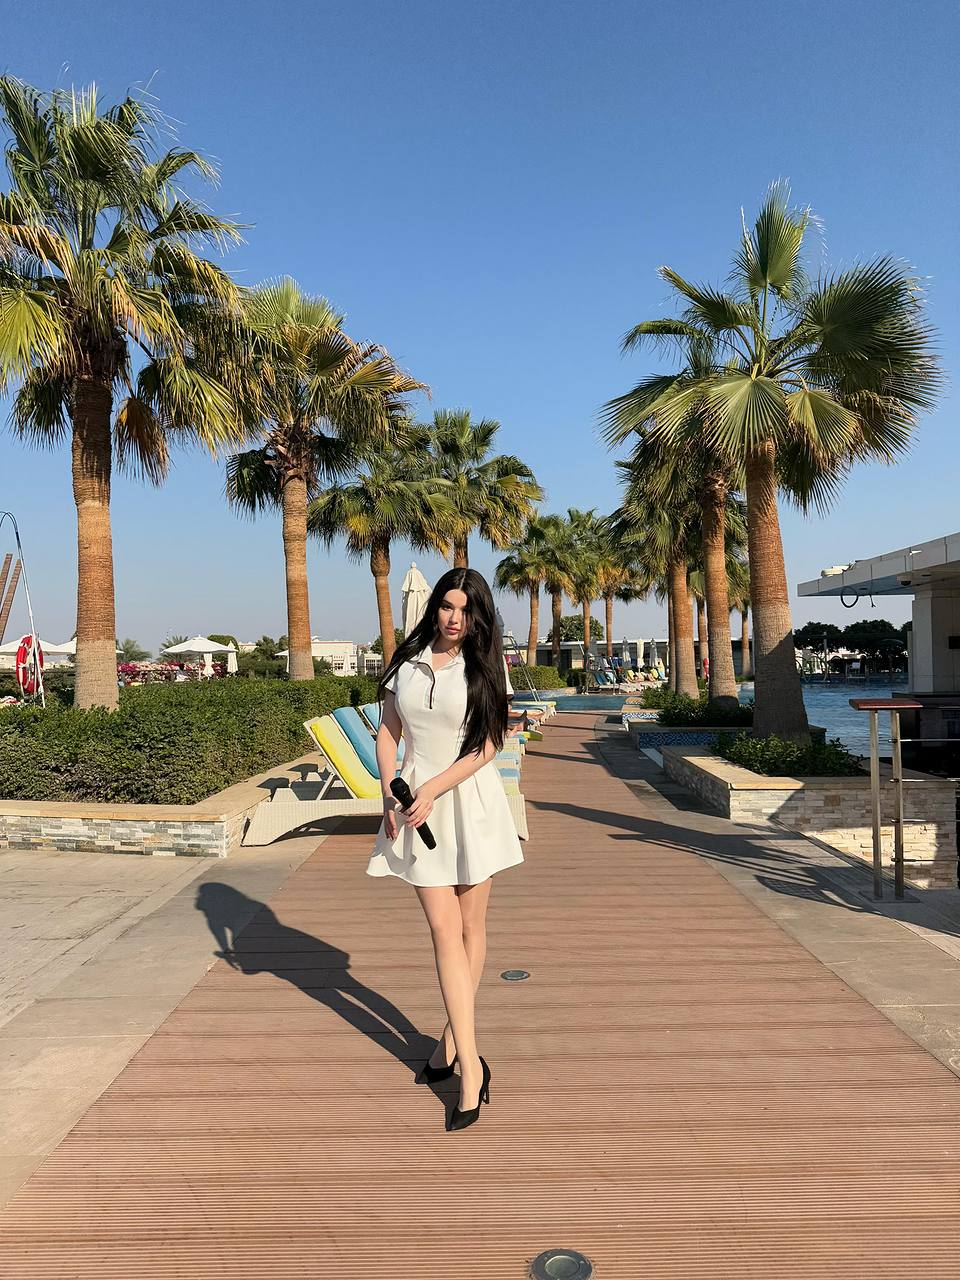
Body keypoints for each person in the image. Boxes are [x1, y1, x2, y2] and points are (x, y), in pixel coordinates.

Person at [367, 567, 523, 1132]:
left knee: (470, 929)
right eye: (447, 606)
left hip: (469, 802)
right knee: (443, 928)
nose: (455, 618)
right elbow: (388, 733)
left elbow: (488, 745)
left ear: (478, 616)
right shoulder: (406, 662)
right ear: (434, 607)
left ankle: (452, 1049)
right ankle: (471, 1065)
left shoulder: (486, 664)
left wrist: (433, 787)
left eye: (466, 610)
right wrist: (390, 795)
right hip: (414, 806)